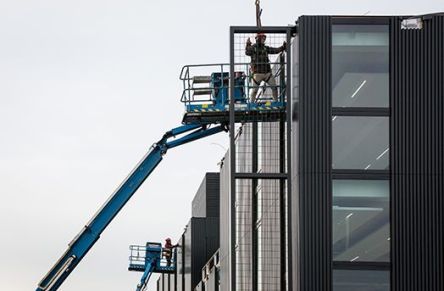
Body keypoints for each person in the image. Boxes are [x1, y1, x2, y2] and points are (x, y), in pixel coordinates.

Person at [245, 32, 286, 102]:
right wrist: (248, 44)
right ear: (258, 39)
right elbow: (247, 52)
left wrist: (282, 47)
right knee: (254, 91)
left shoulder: (265, 48)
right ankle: (251, 104)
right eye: (263, 38)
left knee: (274, 88)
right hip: (257, 74)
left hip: (267, 73)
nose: (264, 40)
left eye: (264, 38)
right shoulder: (253, 48)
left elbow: (274, 50)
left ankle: (276, 102)